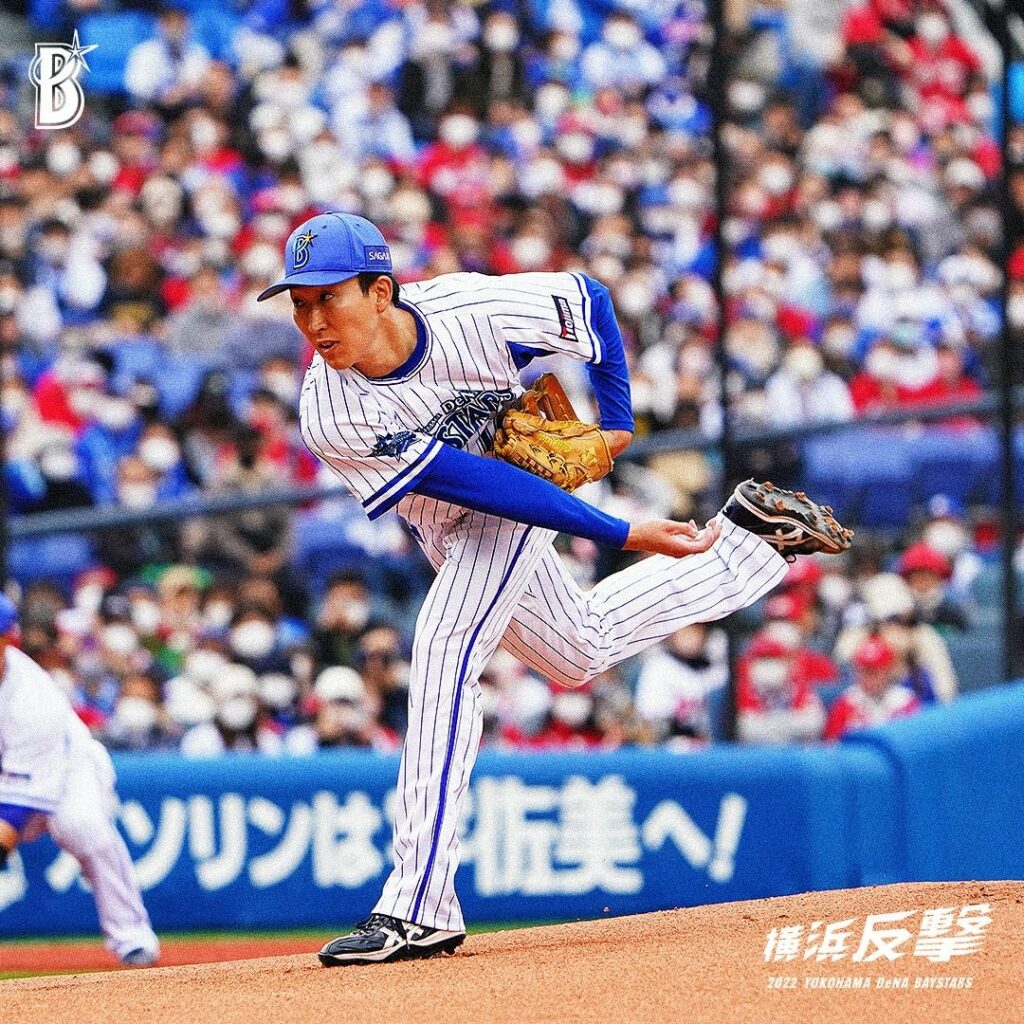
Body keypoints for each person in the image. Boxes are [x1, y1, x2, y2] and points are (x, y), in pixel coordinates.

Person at [257, 212, 852, 966]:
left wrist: (618, 424)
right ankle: (750, 542)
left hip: (509, 508)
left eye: (328, 298)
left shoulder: (469, 310)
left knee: (441, 649)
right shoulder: (331, 408)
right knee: (578, 650)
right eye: (299, 303)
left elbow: (590, 301)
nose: (312, 321)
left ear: (380, 292)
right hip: (473, 509)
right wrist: (620, 530)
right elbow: (474, 482)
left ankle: (418, 905)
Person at [0, 593, 160, 966]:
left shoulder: (32, 701)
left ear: (9, 640)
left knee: (82, 825)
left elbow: (12, 818)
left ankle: (133, 938)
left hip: (69, 770)